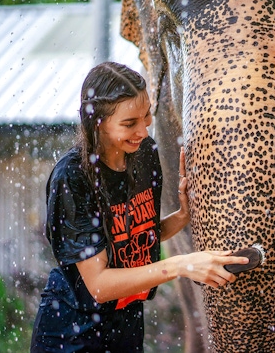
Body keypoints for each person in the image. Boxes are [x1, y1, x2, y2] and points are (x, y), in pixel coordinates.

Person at [30, 61, 249, 352]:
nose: (143, 131)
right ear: (97, 122)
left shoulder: (144, 153)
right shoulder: (72, 177)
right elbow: (99, 284)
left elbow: (136, 238)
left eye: (146, 117)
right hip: (73, 334)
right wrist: (180, 264)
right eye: (129, 123)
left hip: (126, 326)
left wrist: (183, 215)